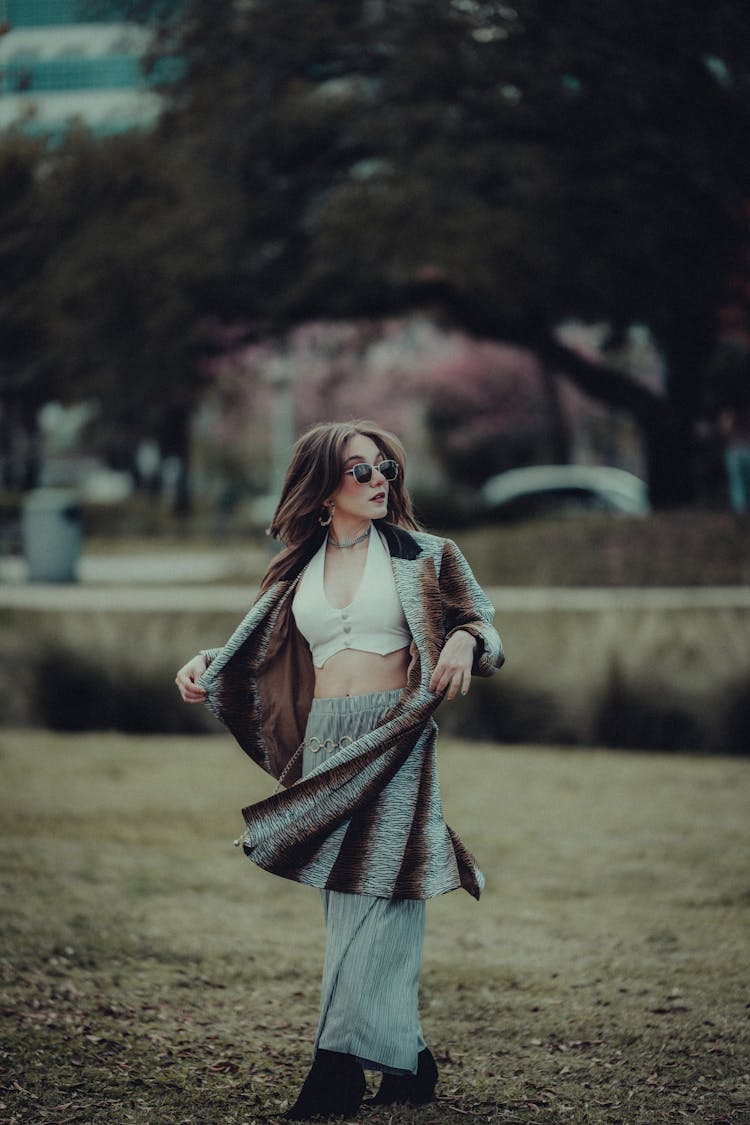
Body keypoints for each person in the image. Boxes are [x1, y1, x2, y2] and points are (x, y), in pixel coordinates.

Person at [175, 420, 504, 1120]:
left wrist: (468, 640)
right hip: (325, 743)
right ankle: (411, 1060)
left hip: (397, 734)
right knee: (350, 901)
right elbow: (260, 645)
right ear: (323, 485)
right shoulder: (298, 566)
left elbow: (487, 625)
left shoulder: (426, 554)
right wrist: (208, 662)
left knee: (382, 891)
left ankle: (334, 1072)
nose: (379, 477)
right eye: (360, 470)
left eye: (384, 465)